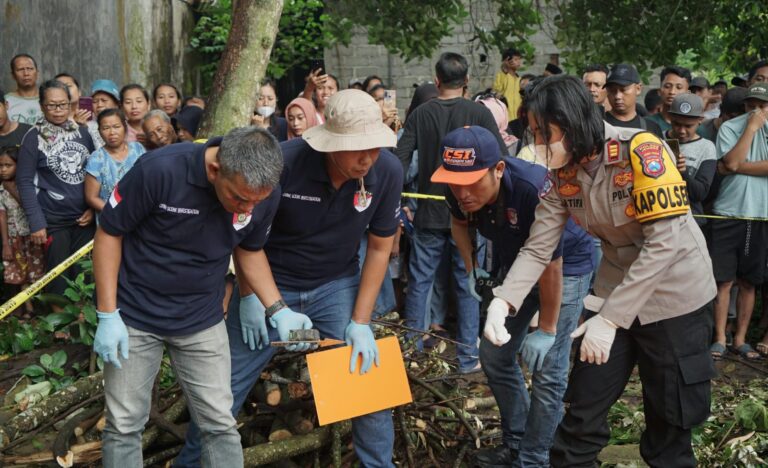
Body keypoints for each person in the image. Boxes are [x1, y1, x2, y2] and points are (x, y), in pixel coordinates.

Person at [484, 75, 716, 467]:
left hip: (676, 298)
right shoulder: (563, 172)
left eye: (544, 133)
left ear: (571, 122)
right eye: (535, 133)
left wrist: (610, 320)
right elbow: (540, 244)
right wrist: (504, 299)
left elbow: (664, 243)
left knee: (670, 423)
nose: (538, 143)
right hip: (614, 295)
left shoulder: (641, 150)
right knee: (581, 412)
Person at [176, 89, 403, 468]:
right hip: (270, 283)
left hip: (336, 283)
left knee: (367, 384)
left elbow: (380, 248)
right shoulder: (284, 164)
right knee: (222, 392)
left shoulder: (387, 171)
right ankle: (190, 463)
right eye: (356, 148)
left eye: (374, 147)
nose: (368, 157)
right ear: (330, 143)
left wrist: (361, 321)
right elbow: (246, 240)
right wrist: (252, 298)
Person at [93, 126, 283, 468]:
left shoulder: (260, 194)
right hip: (135, 316)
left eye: (257, 201)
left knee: (220, 423)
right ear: (214, 170)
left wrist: (276, 307)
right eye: (240, 199)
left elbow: (250, 250)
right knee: (123, 424)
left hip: (201, 319)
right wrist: (108, 315)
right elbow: (109, 234)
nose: (248, 208)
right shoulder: (159, 170)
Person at [432, 126, 594, 467]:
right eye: (455, 183)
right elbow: (459, 222)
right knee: (494, 355)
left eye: (473, 182)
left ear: (499, 169)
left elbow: (550, 263)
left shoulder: (530, 188)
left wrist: (547, 329)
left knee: (549, 369)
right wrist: (472, 266)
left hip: (566, 266)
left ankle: (534, 459)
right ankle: (517, 442)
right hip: (514, 263)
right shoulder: (458, 188)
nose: (462, 192)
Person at [397, 52, 506, 373]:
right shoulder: (478, 112)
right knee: (467, 282)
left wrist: (394, 201)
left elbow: (400, 160)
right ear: (467, 81)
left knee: (420, 282)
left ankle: (413, 354)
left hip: (430, 213)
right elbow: (501, 160)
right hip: (470, 212)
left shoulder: (420, 114)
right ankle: (468, 357)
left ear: (437, 79)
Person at [17, 79, 95, 296]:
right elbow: (23, 181)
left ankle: (83, 323)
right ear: (42, 106)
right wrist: (36, 222)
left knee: (85, 272)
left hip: (84, 218)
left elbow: (95, 173)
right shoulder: (33, 138)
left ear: (70, 104)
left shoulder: (83, 133)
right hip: (53, 220)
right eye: (52, 105)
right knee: (58, 276)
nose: (58, 110)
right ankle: (60, 326)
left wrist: (93, 208)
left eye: (63, 104)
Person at [709, 82, 768, 361]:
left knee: (749, 281)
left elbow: (733, 165)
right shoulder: (730, 128)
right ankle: (720, 338)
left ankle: (741, 338)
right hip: (727, 213)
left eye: (762, 105)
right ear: (744, 105)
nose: (756, 110)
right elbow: (729, 162)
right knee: (723, 280)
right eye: (751, 105)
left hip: (760, 214)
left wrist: (738, 166)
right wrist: (751, 128)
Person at [0, 146, 44, 316]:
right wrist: (6, 244)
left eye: (8, 165)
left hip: (33, 236)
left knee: (36, 272)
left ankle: (35, 308)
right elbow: (2, 217)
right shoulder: (1, 189)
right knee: (19, 273)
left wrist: (12, 190)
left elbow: (30, 207)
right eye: (1, 166)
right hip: (14, 238)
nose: (3, 170)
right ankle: (24, 310)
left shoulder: (29, 185)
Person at [665, 94, 716, 228]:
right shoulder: (657, 138)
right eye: (677, 124)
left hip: (690, 222)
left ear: (700, 120)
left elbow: (701, 193)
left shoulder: (707, 148)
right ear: (670, 118)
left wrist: (683, 174)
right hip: (659, 218)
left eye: (688, 126)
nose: (681, 131)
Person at [85, 109, 145, 215]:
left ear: (125, 127)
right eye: (106, 128)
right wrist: (117, 214)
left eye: (116, 127)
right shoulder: (97, 158)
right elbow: (91, 197)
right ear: (99, 131)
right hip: (112, 219)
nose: (112, 132)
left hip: (141, 213)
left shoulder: (138, 149)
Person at [603, 64, 663, 138]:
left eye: (623, 90)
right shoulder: (597, 125)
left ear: (638, 89)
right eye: (612, 90)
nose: (617, 96)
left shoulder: (651, 128)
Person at [646, 66, 692, 133]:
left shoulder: (695, 127)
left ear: (688, 93)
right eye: (667, 86)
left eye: (679, 87)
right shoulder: (647, 124)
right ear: (659, 91)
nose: (672, 92)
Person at [5, 54, 42, 124]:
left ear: (37, 72)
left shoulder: (49, 99)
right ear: (13, 75)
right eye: (20, 69)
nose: (26, 73)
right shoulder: (6, 102)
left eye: (30, 69)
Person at [86, 79, 122, 149]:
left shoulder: (124, 124)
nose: (99, 105)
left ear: (116, 104)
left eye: (104, 100)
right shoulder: (87, 125)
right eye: (95, 101)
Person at [493, 48, 523, 122]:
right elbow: (497, 91)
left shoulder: (520, 79)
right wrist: (505, 71)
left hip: (518, 117)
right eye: (515, 59)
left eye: (519, 59)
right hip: (506, 117)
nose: (518, 62)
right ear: (507, 61)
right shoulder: (501, 76)